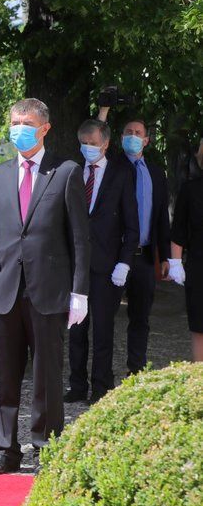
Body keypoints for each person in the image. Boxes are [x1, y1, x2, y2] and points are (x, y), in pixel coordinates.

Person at [0, 98, 90, 476]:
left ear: (44, 128)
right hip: (4, 286)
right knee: (6, 375)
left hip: (49, 288)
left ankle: (45, 447)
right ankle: (6, 449)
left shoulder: (67, 172)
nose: (18, 128)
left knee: (46, 375)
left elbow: (79, 239)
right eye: (13, 121)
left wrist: (79, 291)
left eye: (26, 121)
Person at [65, 120, 139, 404]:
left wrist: (125, 261)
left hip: (107, 265)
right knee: (76, 328)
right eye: (83, 142)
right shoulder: (72, 171)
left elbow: (132, 223)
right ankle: (77, 385)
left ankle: (101, 386)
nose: (88, 148)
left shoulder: (121, 174)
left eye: (93, 143)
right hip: (74, 264)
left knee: (103, 329)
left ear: (106, 143)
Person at [98, 105, 174, 374]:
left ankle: (136, 371)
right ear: (120, 138)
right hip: (114, 256)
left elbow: (161, 218)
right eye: (128, 132)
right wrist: (103, 114)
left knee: (140, 318)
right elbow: (96, 140)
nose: (132, 136)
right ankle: (102, 377)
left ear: (146, 140)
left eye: (137, 133)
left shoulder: (156, 173)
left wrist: (166, 257)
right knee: (105, 318)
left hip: (143, 257)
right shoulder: (112, 167)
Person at [170, 159, 203, 361]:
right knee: (200, 327)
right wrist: (175, 263)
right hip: (199, 267)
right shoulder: (190, 190)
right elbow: (179, 229)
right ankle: (200, 383)